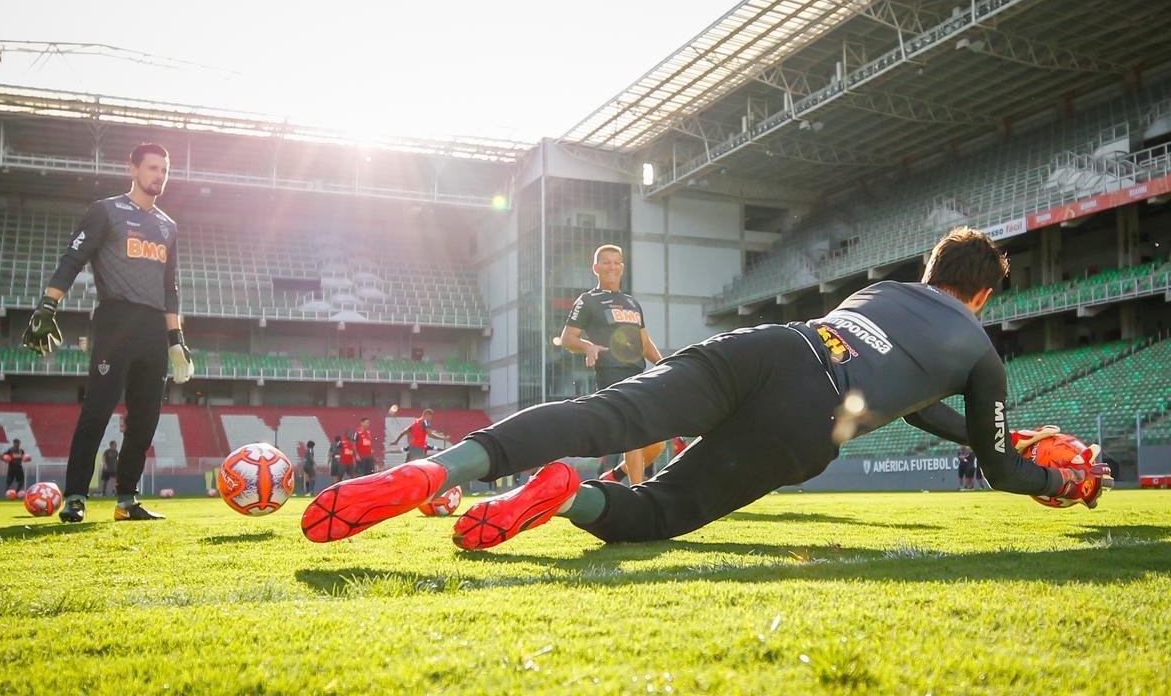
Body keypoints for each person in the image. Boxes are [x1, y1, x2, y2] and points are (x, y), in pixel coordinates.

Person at [300, 227, 1112, 549]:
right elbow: (999, 465)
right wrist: (1056, 478)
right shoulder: (979, 348)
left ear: (930, 272)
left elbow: (906, 395)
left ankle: (437, 472)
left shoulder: (880, 295)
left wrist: (981, 432)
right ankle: (568, 500)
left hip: (771, 348)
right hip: (811, 417)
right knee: (658, 514)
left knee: (598, 415)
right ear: (981, 297)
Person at [21, 143, 194, 523]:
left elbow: (171, 288)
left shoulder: (168, 226)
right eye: (152, 168)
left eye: (164, 170)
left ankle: (127, 501)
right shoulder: (106, 211)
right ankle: (76, 497)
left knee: (146, 418)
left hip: (152, 330)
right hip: (115, 321)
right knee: (97, 411)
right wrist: (47, 305)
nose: (159, 176)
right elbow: (73, 259)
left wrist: (176, 340)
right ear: (133, 169)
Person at [558, 245, 665, 485]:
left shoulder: (632, 303)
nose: (611, 266)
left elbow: (645, 342)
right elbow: (567, 338)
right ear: (595, 268)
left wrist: (666, 364)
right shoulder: (587, 300)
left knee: (657, 445)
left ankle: (615, 476)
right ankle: (638, 493)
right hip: (611, 375)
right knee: (634, 436)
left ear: (622, 267)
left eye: (616, 262)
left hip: (639, 375)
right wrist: (588, 346)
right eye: (606, 262)